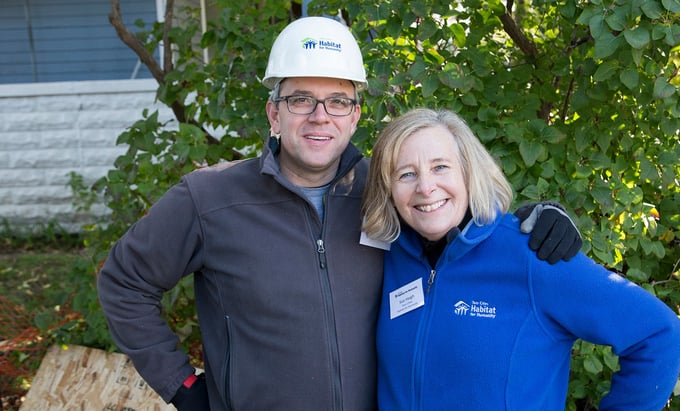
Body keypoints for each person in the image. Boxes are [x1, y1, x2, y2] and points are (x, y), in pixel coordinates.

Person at [96, 17, 582, 411]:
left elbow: (460, 227)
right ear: (274, 113)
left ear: (355, 114)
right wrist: (183, 386)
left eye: (336, 101)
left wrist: (535, 219)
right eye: (301, 99)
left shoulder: (389, 187)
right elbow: (124, 282)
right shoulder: (211, 199)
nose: (319, 115)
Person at [361, 107, 680, 411]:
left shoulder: (531, 254)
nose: (426, 187)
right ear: (388, 188)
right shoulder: (386, 256)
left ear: (467, 173)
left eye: (440, 167)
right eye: (406, 174)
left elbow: (660, 335)